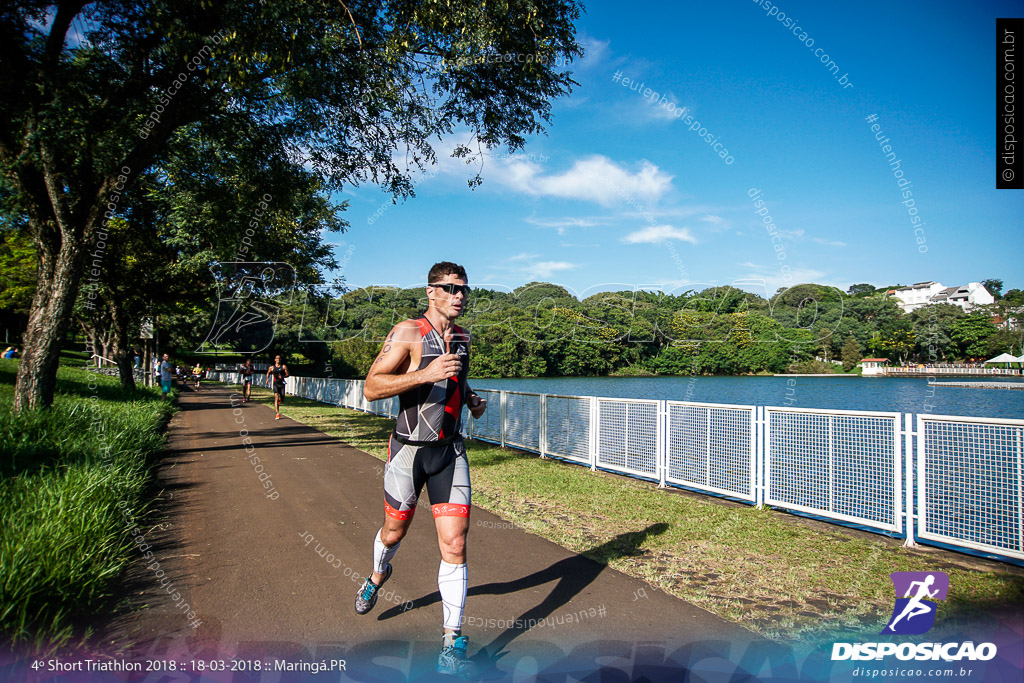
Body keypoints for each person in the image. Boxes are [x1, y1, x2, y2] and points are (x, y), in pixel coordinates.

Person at [354, 262, 487, 677]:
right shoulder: (408, 332)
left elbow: (457, 380)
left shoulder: (463, 338)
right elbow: (372, 387)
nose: (459, 296)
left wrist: (471, 399)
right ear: (431, 292)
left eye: (464, 289)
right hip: (408, 453)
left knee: (455, 543)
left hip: (449, 452)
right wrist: (424, 373)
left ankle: (452, 640)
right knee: (394, 531)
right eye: (450, 288)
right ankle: (377, 576)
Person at [266, 354, 289, 419]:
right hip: (275, 384)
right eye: (277, 358)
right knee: (276, 397)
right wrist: (267, 379)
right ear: (275, 360)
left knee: (282, 398)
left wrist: (283, 376)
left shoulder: (283, 367)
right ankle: (277, 413)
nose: (278, 359)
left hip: (282, 384)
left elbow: (288, 374)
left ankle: (280, 401)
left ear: (280, 360)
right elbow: (268, 372)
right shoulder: (272, 367)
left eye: (279, 358)